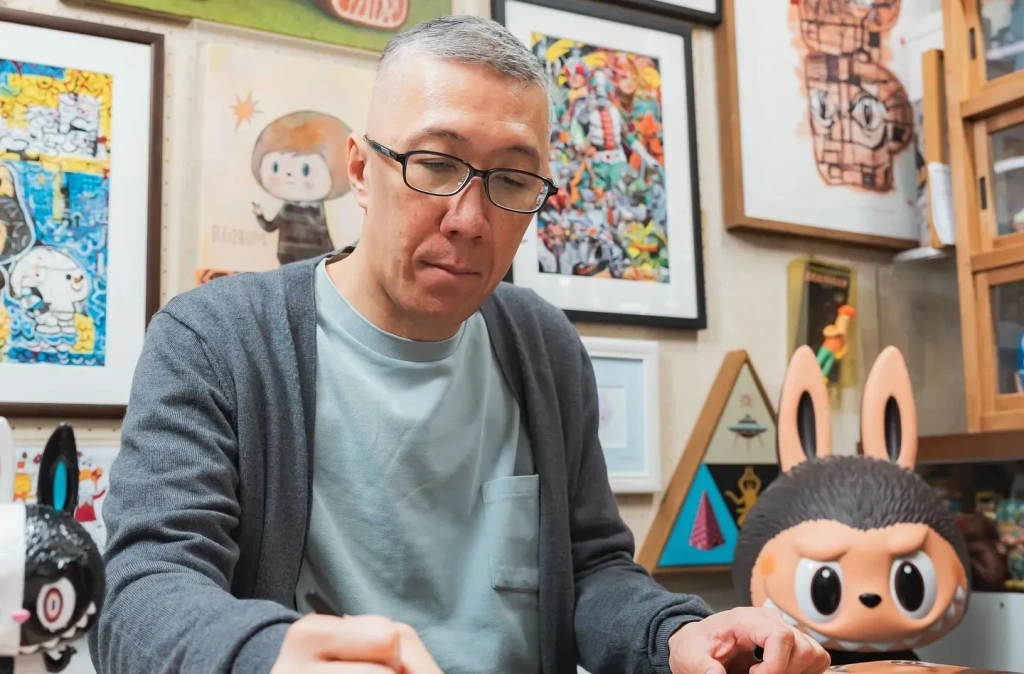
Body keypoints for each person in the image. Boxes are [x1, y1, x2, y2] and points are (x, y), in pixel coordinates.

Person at [89, 15, 832, 674]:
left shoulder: (542, 346)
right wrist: (268, 656)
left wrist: (676, 635)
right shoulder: (217, 339)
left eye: (512, 179)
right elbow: (142, 596)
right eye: (436, 165)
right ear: (361, 170)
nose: (470, 219)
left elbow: (592, 571)